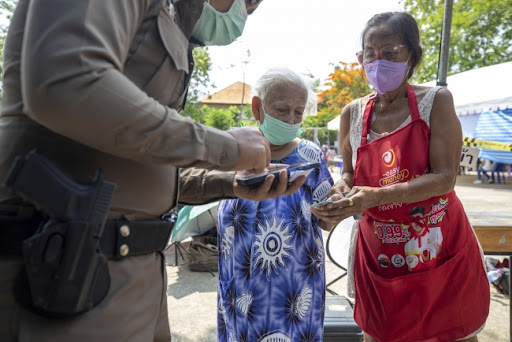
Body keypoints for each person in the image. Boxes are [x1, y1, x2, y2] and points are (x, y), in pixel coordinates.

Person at [0, 1, 307, 341]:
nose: (248, 9)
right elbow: (67, 83)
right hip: (60, 271)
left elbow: (139, 161)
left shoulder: (173, 16)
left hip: (130, 272)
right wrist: (225, 148)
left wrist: (229, 183)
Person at [310, 12, 489, 342]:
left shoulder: (436, 102)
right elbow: (349, 173)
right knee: (381, 332)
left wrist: (377, 196)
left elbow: (445, 177)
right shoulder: (352, 113)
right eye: (369, 54)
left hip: (437, 246)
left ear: (413, 56)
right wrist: (340, 191)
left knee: (451, 331)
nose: (378, 63)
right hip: (380, 251)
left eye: (390, 53)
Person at [216, 67, 333, 342]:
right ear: (258, 108)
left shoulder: (310, 156)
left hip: (295, 294)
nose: (291, 120)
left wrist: (337, 206)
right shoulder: (232, 150)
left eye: (298, 112)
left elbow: (326, 219)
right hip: (240, 290)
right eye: (282, 110)